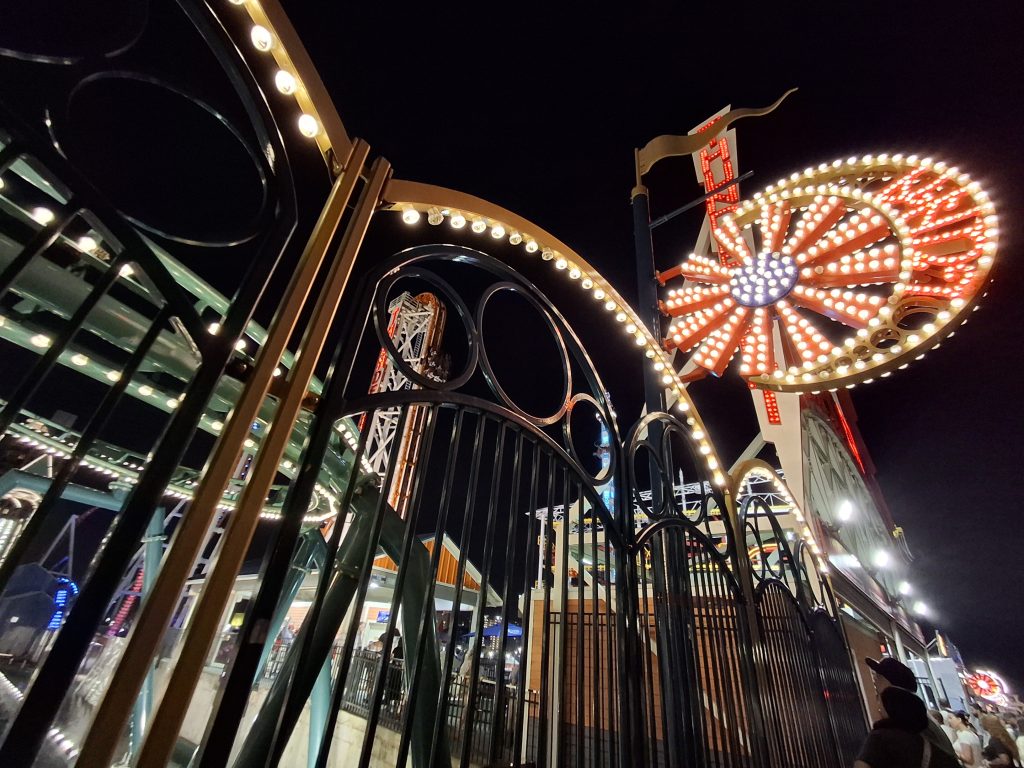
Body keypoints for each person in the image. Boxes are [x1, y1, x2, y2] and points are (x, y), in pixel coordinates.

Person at [866, 656, 959, 762]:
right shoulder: (917, 716)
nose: (875, 678)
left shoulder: (907, 720)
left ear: (893, 684)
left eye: (879, 674)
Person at [855, 686, 959, 768]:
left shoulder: (879, 737)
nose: (878, 710)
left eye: (881, 707)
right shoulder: (927, 741)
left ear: (892, 709)